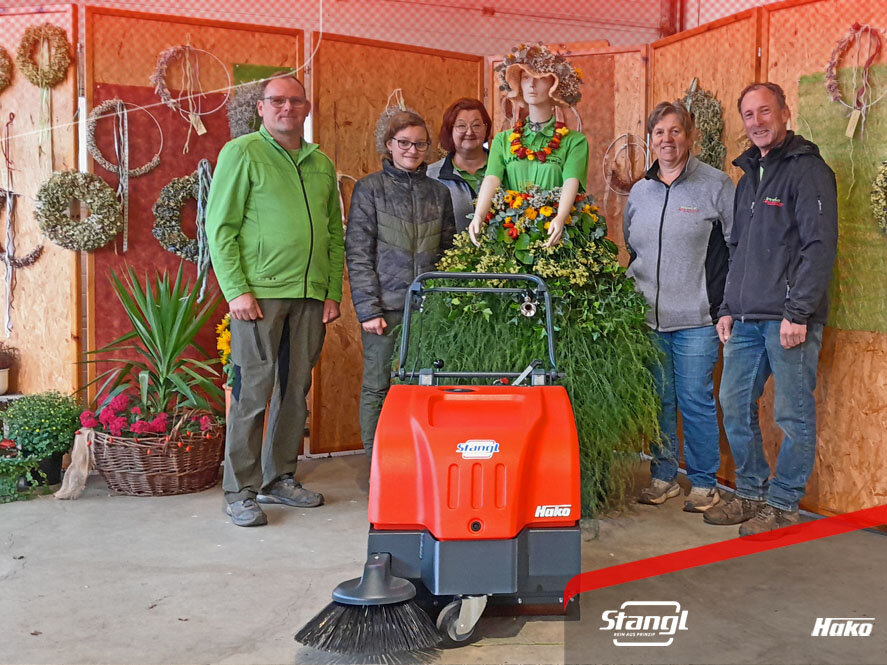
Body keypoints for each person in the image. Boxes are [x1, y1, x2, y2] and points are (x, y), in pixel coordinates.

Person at [206, 73, 345, 527]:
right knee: (252, 392)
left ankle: (279, 478)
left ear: (306, 109)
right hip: (259, 295)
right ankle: (240, 490)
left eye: (296, 101)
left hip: (309, 296)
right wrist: (236, 290)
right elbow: (220, 226)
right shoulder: (242, 152)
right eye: (277, 101)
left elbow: (332, 233)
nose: (287, 108)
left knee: (295, 393)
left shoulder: (320, 162)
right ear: (261, 108)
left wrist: (329, 291)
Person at [703, 82, 837, 536]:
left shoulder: (809, 171)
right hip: (743, 318)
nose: (757, 122)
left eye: (765, 112)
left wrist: (798, 312)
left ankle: (782, 503)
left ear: (784, 112)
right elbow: (737, 248)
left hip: (787, 320)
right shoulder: (747, 179)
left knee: (792, 413)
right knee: (734, 404)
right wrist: (726, 306)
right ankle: (750, 491)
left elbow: (819, 246)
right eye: (748, 115)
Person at [624, 101, 734, 513]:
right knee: (659, 399)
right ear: (650, 139)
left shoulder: (716, 185)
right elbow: (631, 244)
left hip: (697, 317)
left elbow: (735, 246)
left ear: (690, 136)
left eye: (675, 131)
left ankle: (705, 482)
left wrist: (726, 306)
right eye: (659, 133)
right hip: (649, 318)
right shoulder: (640, 190)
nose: (667, 140)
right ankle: (664, 475)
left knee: (695, 398)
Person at [346, 108, 456, 458]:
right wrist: (368, 309)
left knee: (424, 385)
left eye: (420, 144)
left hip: (429, 309)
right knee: (379, 386)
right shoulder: (369, 190)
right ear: (389, 144)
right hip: (385, 309)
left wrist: (445, 303)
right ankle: (377, 462)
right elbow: (358, 254)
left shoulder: (438, 193)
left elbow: (449, 251)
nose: (412, 150)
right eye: (404, 143)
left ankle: (418, 459)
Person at [468, 43, 588, 247]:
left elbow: (571, 181)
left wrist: (559, 218)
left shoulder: (574, 141)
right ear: (519, 85)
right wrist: (479, 215)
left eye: (540, 78)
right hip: (511, 236)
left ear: (553, 84)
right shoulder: (503, 140)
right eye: (525, 78)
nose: (532, 85)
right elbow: (492, 177)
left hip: (554, 238)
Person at [426, 98, 492, 232]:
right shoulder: (431, 176)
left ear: (486, 128)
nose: (469, 132)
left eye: (476, 125)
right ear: (450, 130)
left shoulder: (504, 170)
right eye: (461, 126)